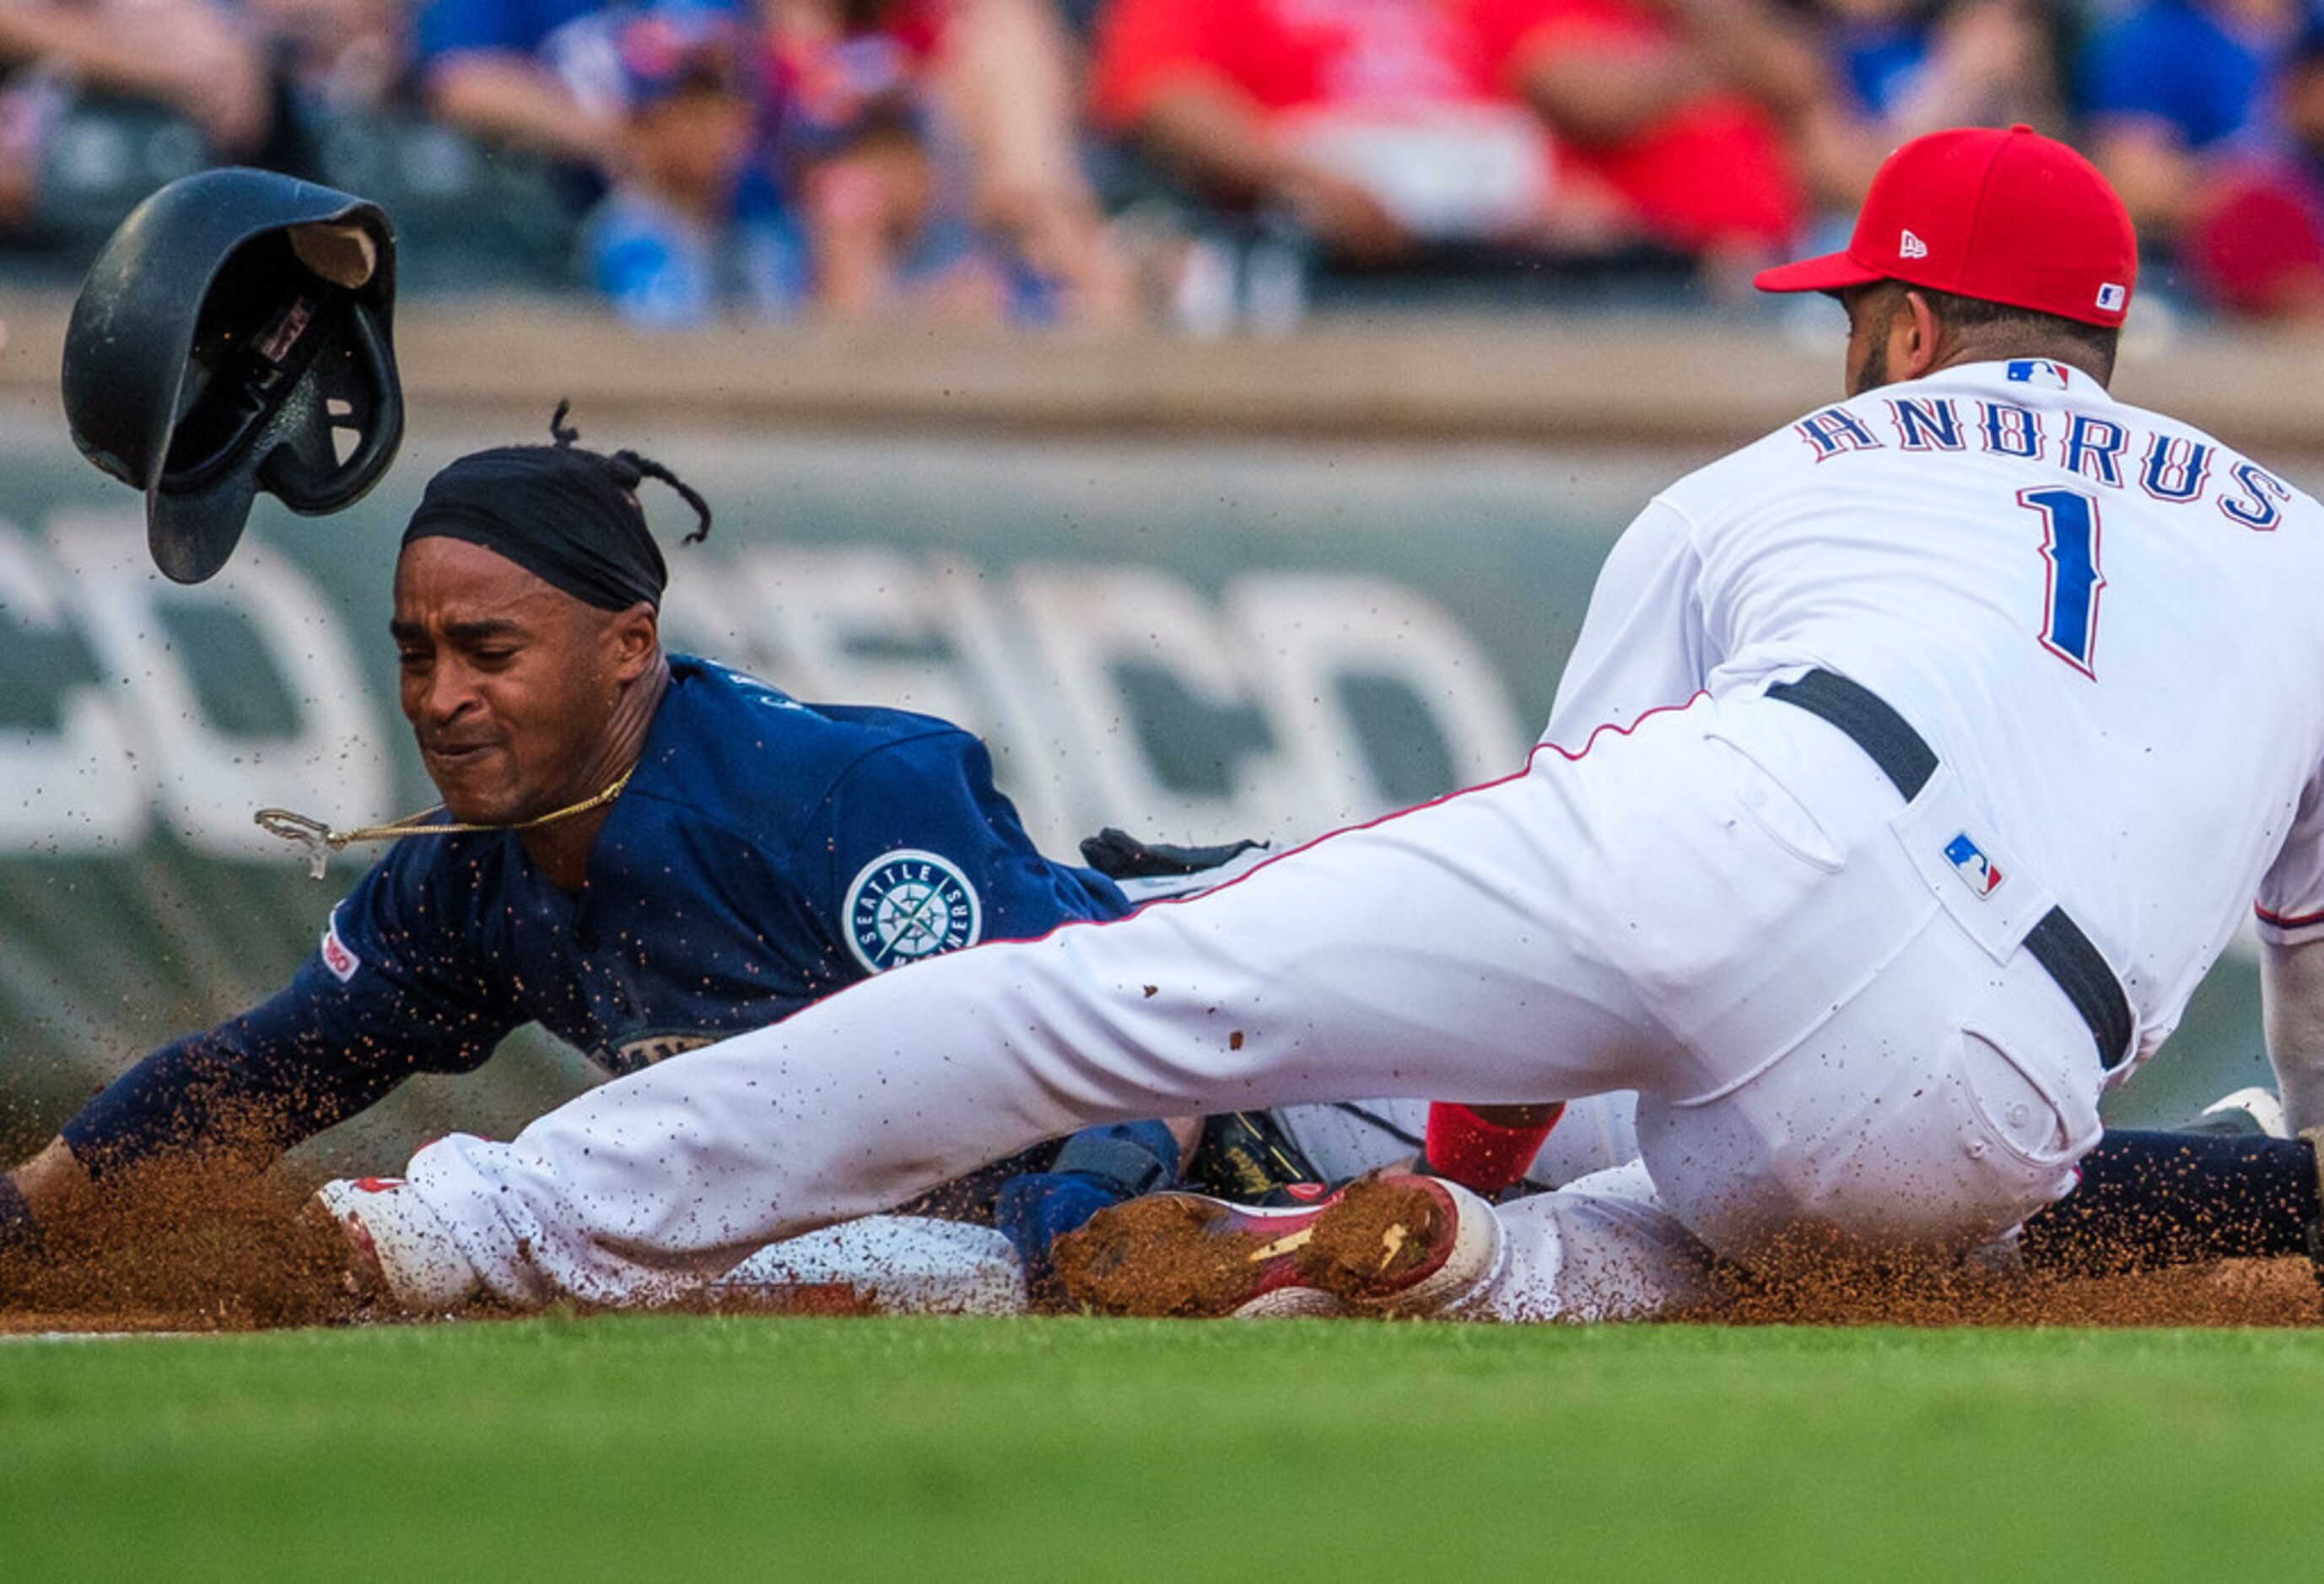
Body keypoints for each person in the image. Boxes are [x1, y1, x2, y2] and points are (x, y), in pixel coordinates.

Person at [301, 121, 2324, 1323]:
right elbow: (2306, 954)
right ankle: (1464, 1262)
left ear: (1893, 326)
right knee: (1831, 1251)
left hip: (1768, 818)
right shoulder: (2295, 544)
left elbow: (1595, 863)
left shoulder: (1804, 461)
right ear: (2107, 343)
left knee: (1106, 991)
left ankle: (476, 1225)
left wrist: (1483, 1133)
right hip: (1997, 1080)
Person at [0, 408, 1207, 1272]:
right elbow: (258, 1075)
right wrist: (31, 1208)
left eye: (488, 650)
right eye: (417, 655)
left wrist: (1098, 1213)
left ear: (630, 644)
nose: (439, 697)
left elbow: (1140, 1015)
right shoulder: (461, 874)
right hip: (975, 1232)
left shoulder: (836, 798)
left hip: (1233, 1109)